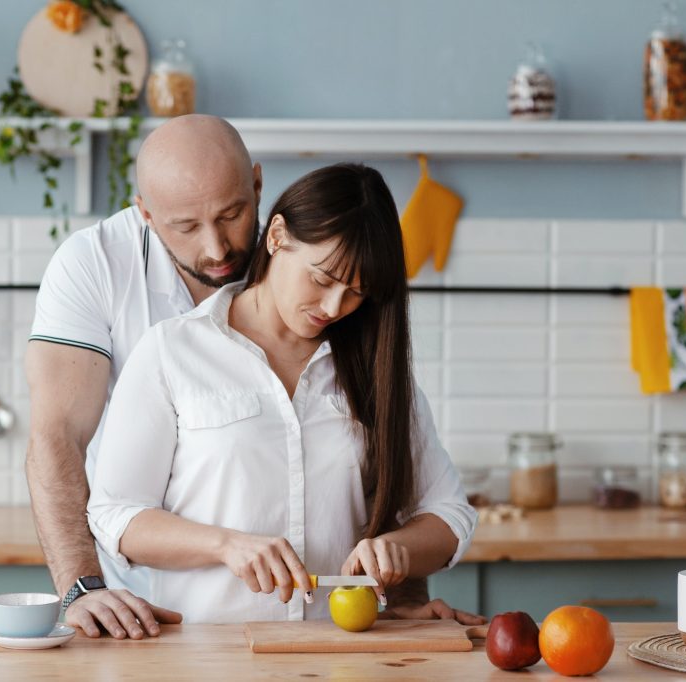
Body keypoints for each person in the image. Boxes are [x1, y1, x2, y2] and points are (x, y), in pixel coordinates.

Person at [27, 115, 481, 639]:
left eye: (233, 214)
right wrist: (219, 546)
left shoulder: (369, 360)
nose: (218, 249)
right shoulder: (160, 336)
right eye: (321, 280)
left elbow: (433, 507)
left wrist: (399, 566)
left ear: (259, 195)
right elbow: (96, 489)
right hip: (193, 646)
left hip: (337, 650)